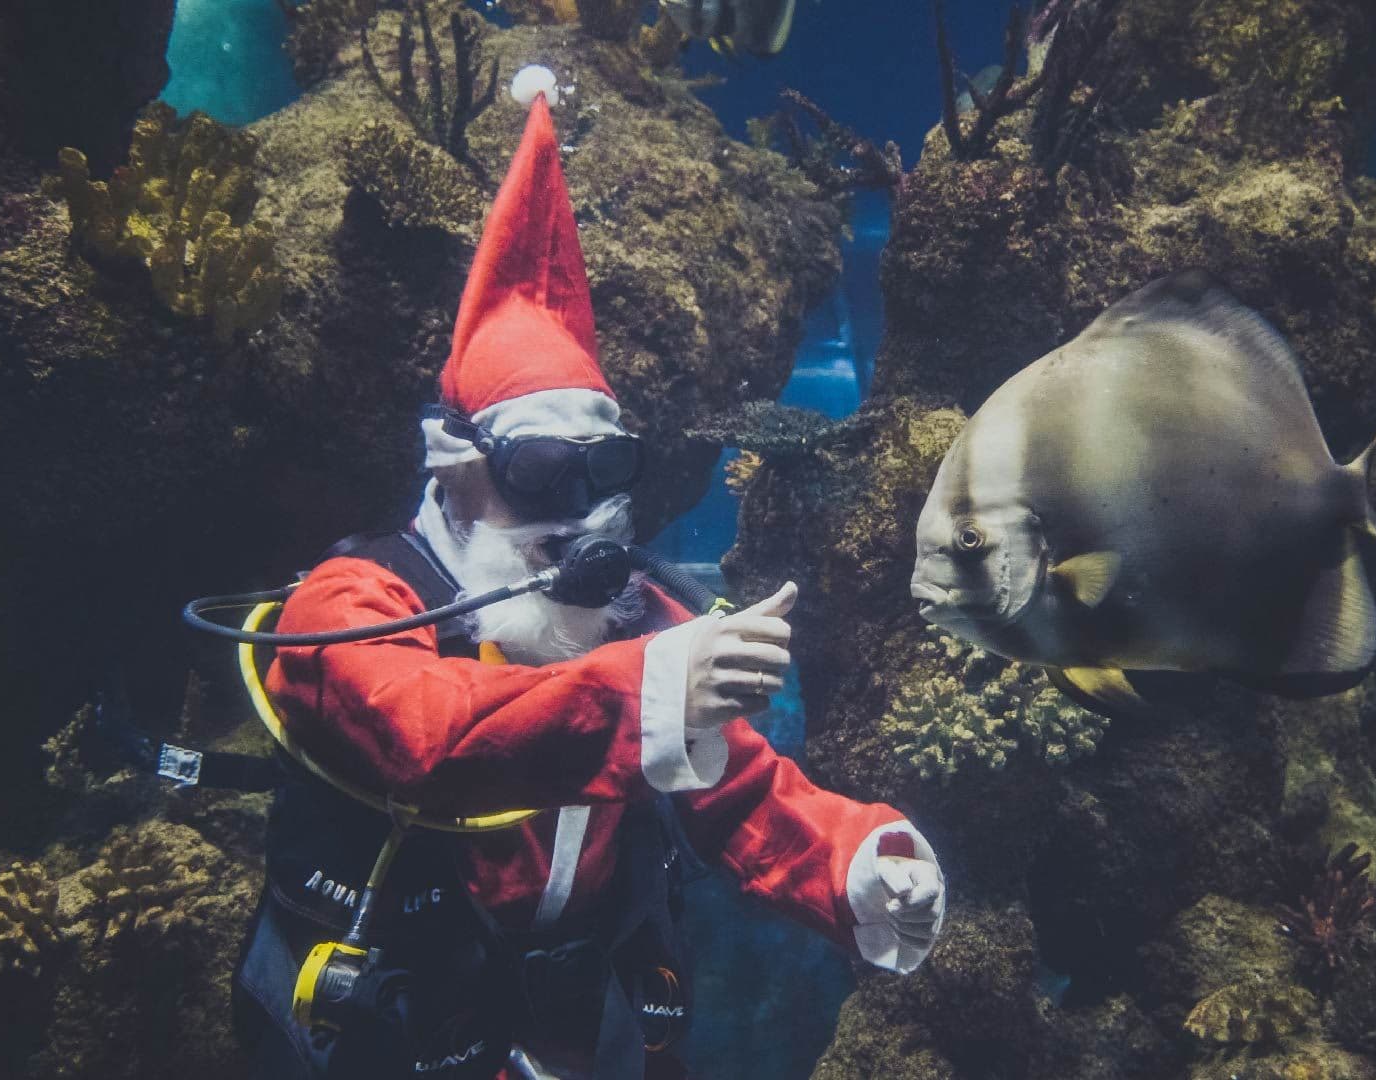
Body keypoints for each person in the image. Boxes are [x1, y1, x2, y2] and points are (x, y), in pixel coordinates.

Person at [229, 66, 946, 1080]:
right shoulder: (352, 605)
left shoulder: (637, 623)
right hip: (394, 1032)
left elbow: (744, 796)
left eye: (603, 469)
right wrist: (650, 691)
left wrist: (863, 865)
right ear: (463, 473)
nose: (577, 512)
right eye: (538, 471)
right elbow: (427, 737)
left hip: (581, 1029)